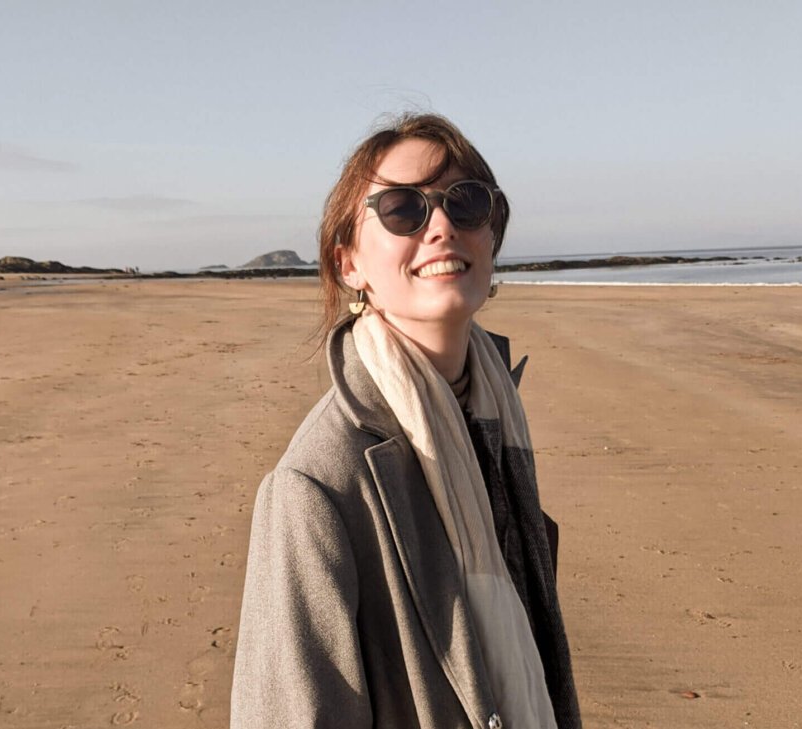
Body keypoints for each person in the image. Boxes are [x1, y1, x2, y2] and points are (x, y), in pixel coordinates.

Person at [231, 113, 581, 728]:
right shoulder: (314, 488)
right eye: (401, 209)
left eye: (466, 202)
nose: (442, 225)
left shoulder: (491, 422)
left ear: (491, 234)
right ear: (349, 264)